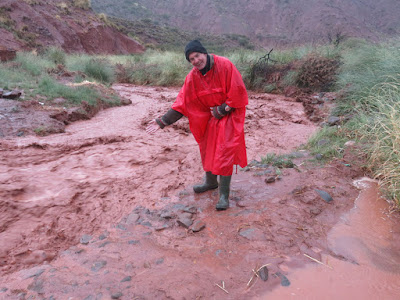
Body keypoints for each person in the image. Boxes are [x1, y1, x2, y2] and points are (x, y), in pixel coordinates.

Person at [146, 40, 248, 210]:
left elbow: (238, 91)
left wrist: (223, 109)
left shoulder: (225, 65)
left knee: (224, 150)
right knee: (206, 147)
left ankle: (224, 195)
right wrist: (162, 122)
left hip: (230, 114)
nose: (195, 61)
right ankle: (210, 182)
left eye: (197, 56)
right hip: (209, 116)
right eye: (191, 59)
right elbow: (182, 103)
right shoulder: (192, 77)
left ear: (204, 53)